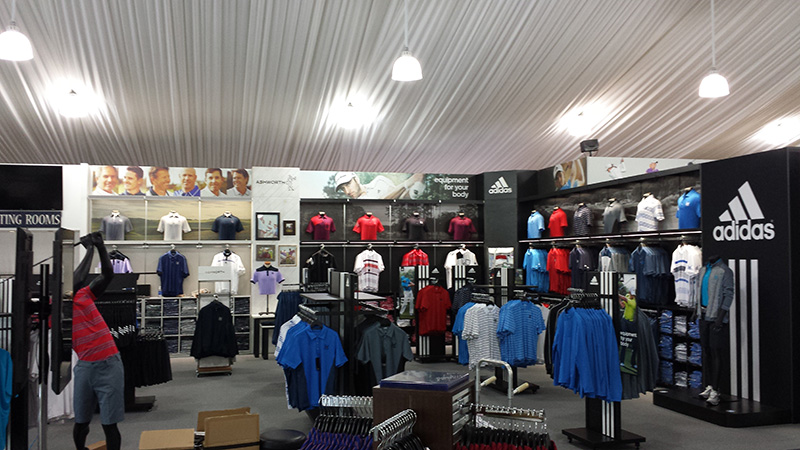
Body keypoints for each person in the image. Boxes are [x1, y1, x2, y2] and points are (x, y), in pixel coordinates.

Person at [72, 232, 124, 450]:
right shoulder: (57, 307)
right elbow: (75, 280)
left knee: (109, 424)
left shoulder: (83, 295)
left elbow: (108, 274)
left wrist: (101, 247)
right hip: (85, 366)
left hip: (109, 364)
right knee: (81, 422)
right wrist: (90, 250)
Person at [334, 172, 423, 199]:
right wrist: (408, 183)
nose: (347, 191)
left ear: (356, 179)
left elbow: (398, 197)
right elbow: (382, 201)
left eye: (348, 184)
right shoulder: (358, 202)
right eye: (343, 189)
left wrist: (414, 190)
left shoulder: (379, 181)